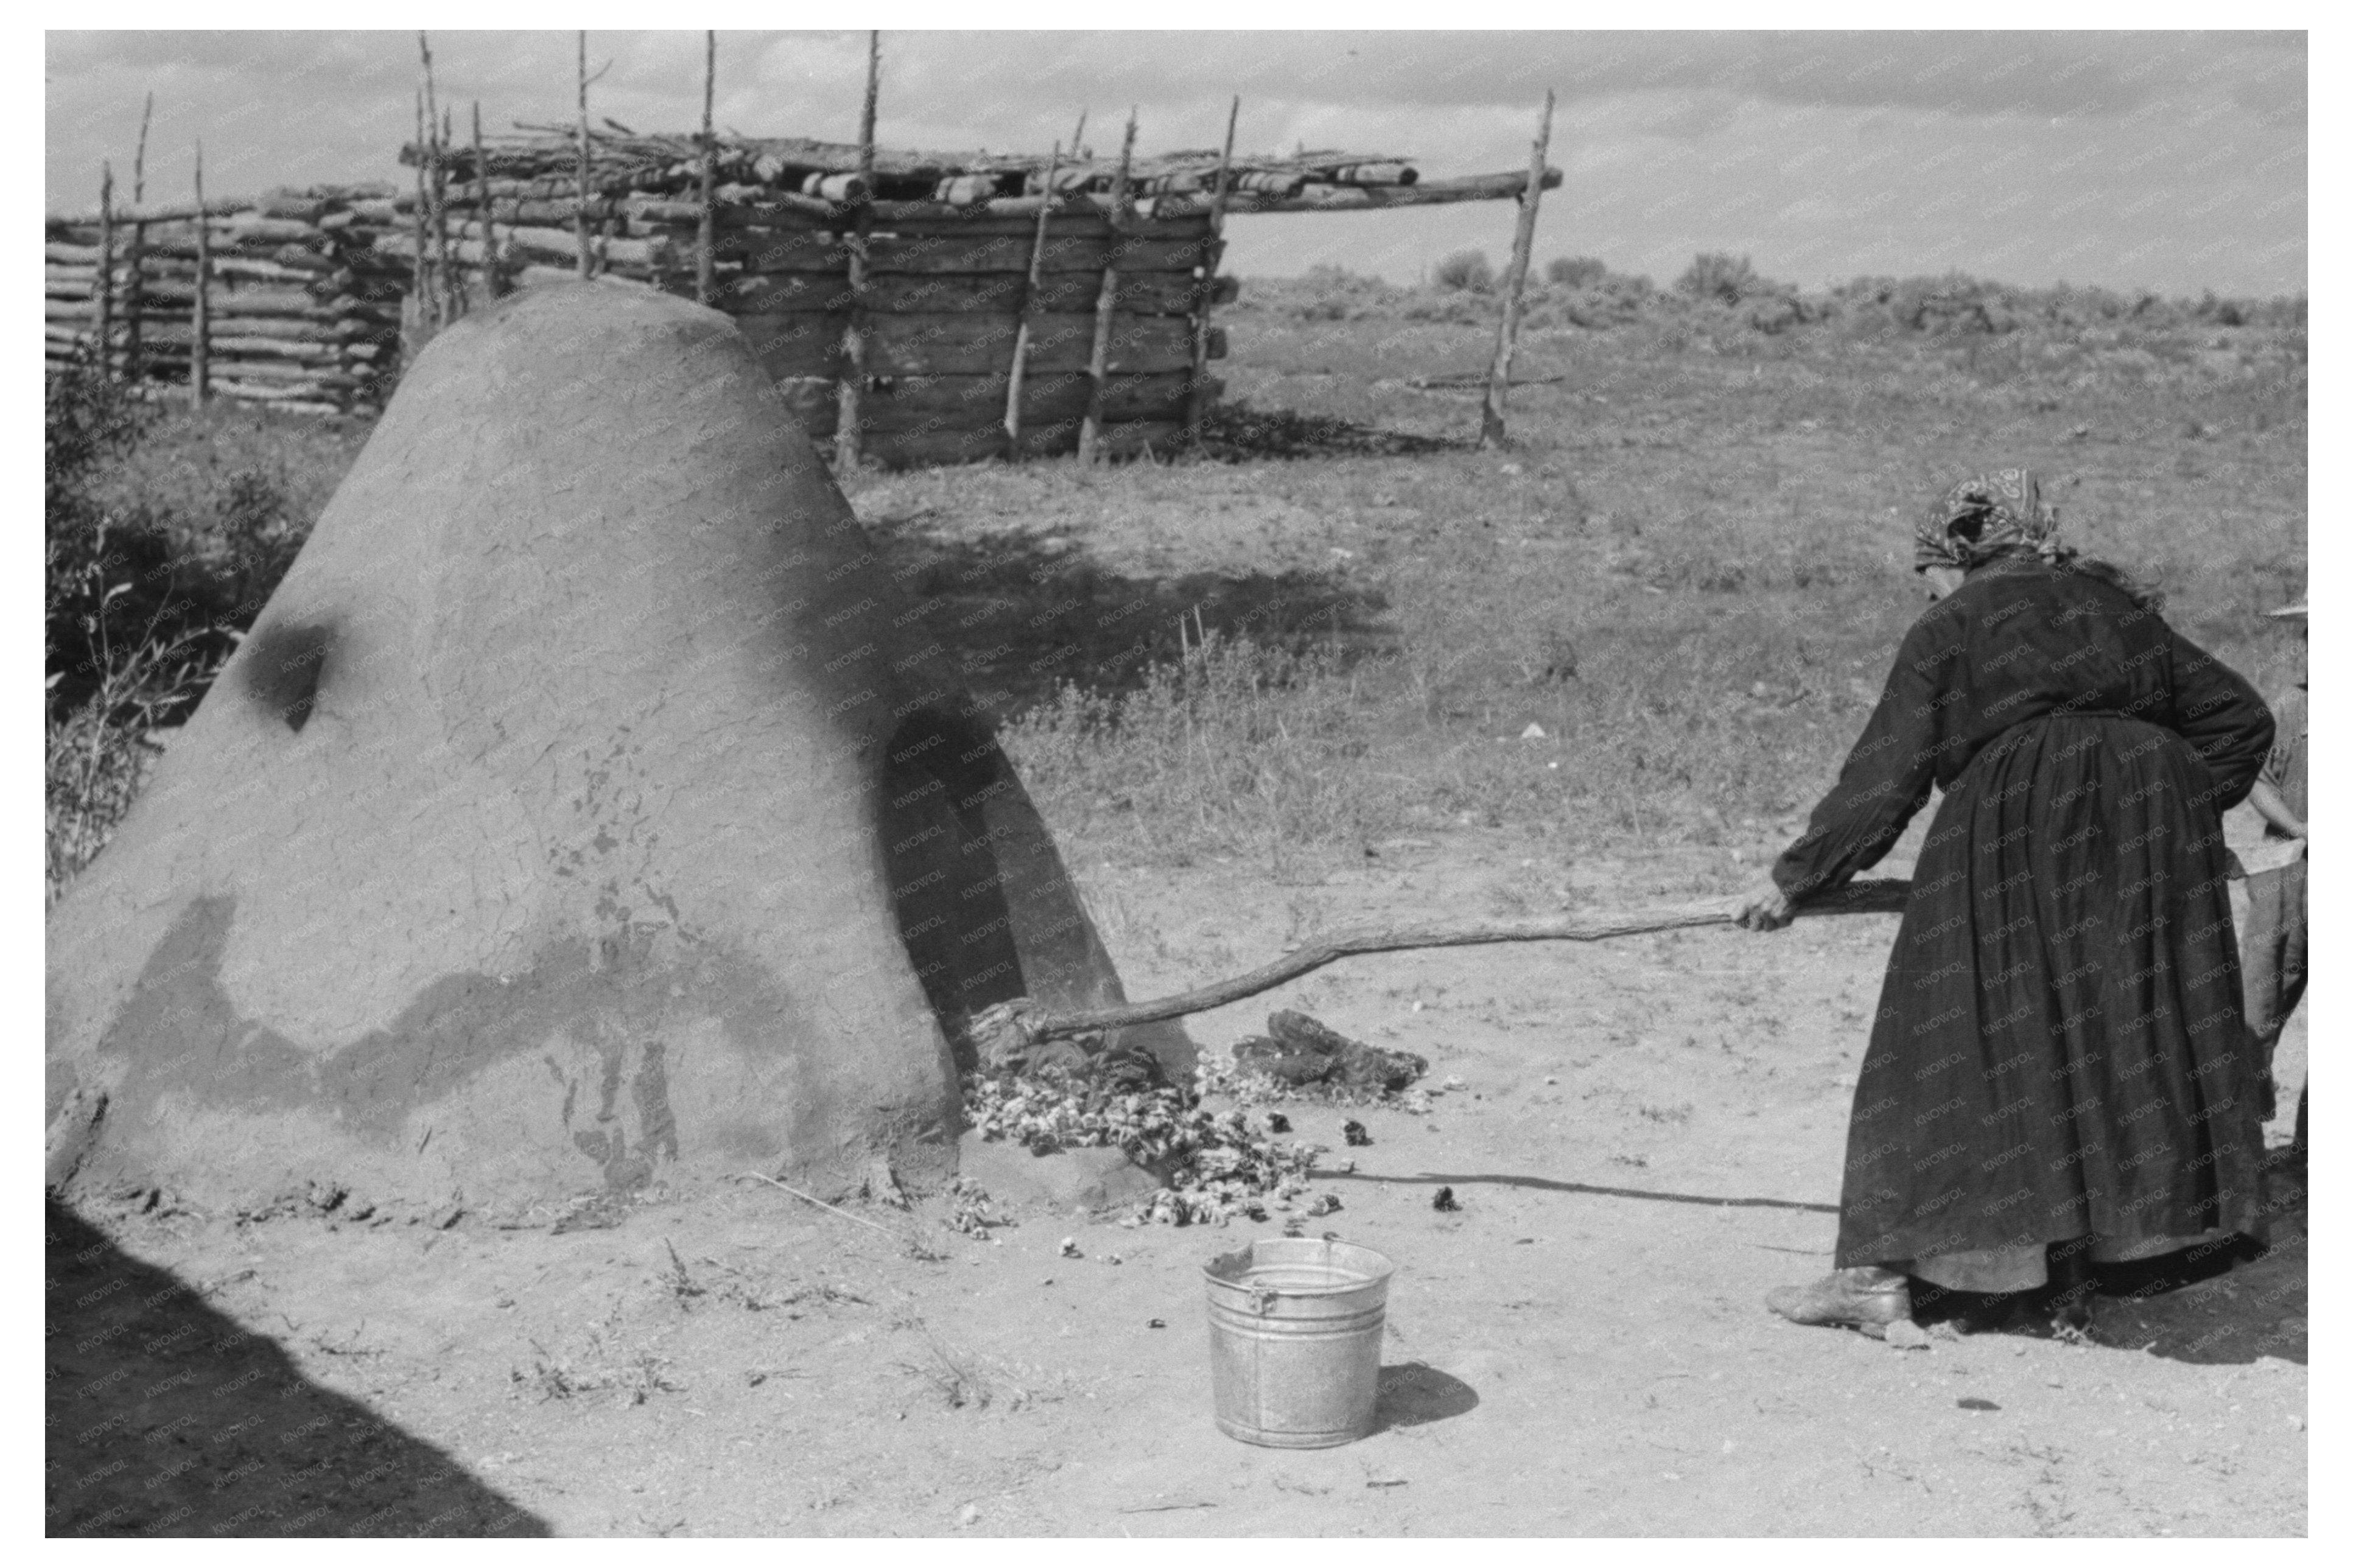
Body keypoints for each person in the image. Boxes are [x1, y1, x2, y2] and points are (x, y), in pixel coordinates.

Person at [1738, 469, 2276, 1333]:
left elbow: (1888, 773)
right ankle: (2090, 1259)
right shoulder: (2118, 611)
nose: (1927, 593)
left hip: (2009, 839)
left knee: (1953, 1035)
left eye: (1927, 576)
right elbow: (2241, 721)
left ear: (1954, 558)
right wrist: (2156, 816)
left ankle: (1880, 1275)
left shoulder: (1953, 623)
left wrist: (1796, 877)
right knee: (2107, 1034)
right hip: (2138, 854)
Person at [2239, 598, 2307, 1172]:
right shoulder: (2291, 705)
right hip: (2288, 868)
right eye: (2309, 635)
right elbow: (2256, 780)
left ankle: (2313, 1152)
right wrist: (2303, 827)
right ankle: (2239, 1146)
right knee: (2257, 1007)